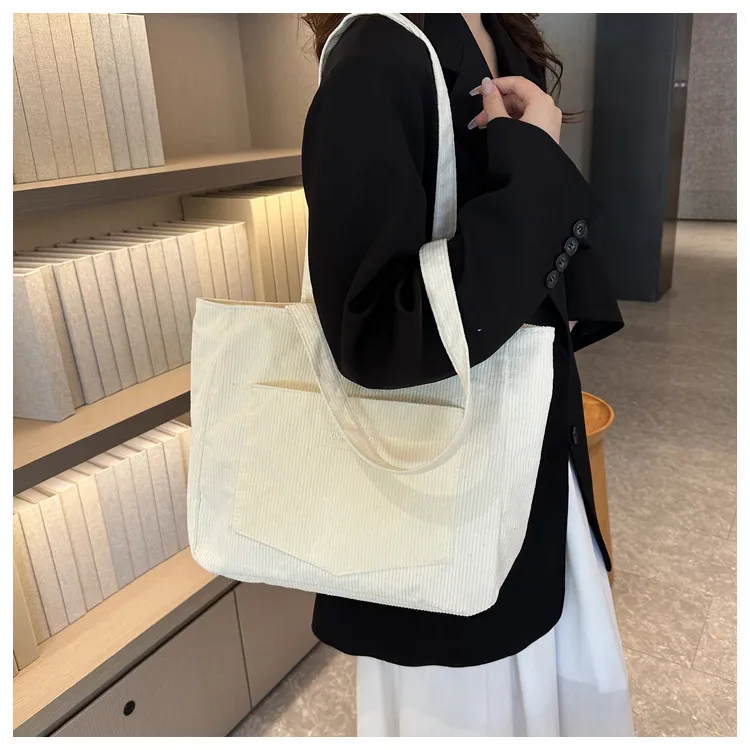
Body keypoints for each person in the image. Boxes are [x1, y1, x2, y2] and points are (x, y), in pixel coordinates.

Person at [300, 12, 634, 737]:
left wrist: (531, 160)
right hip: (442, 496)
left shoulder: (505, 38)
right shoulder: (377, 57)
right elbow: (374, 333)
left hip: (523, 447)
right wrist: (533, 160)